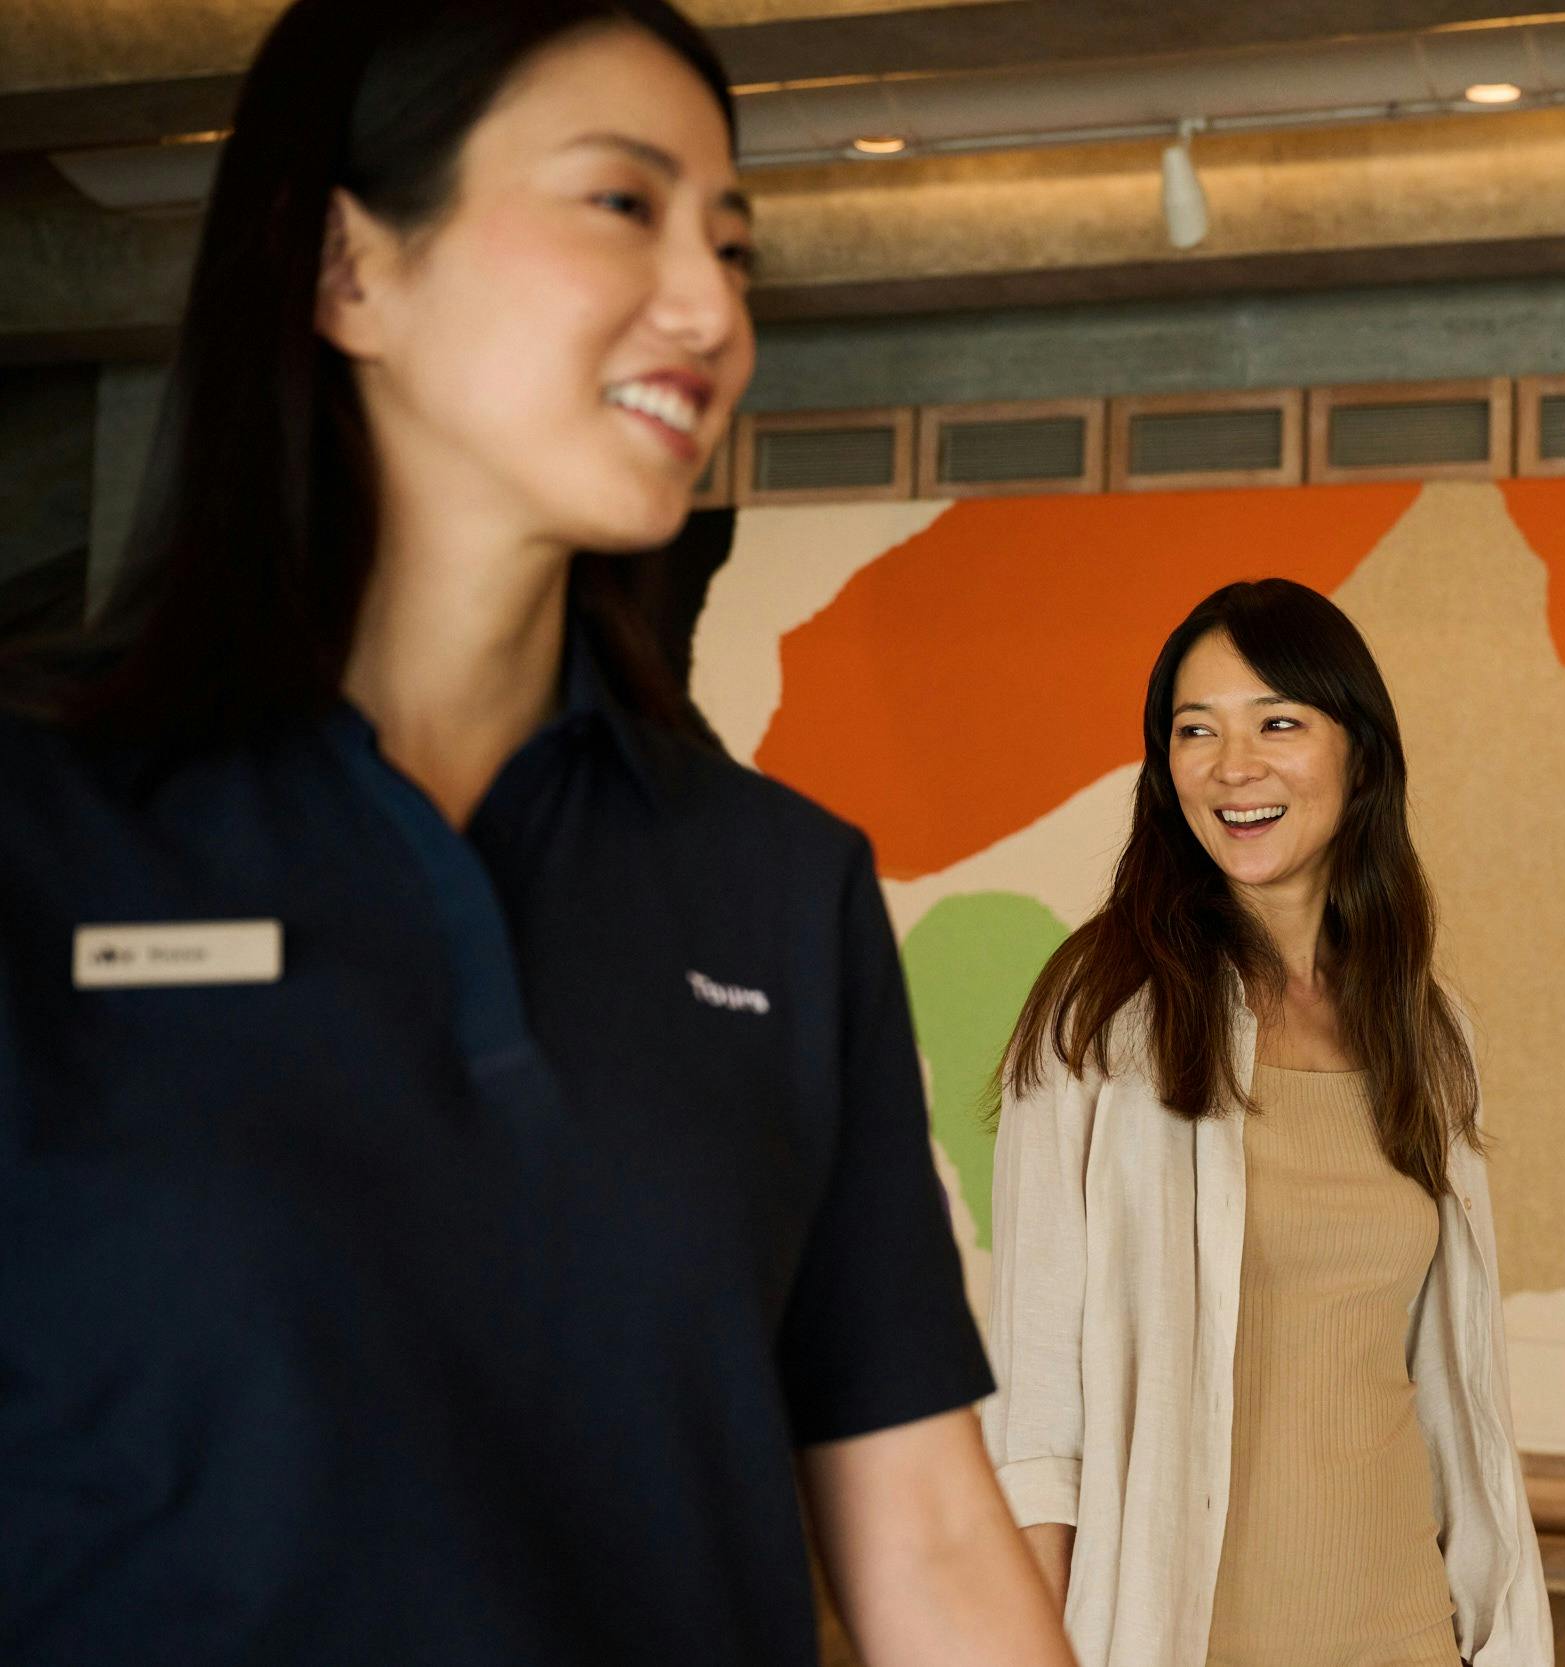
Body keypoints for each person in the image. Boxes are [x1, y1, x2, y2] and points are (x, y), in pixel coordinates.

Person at [0, 4, 1074, 1664]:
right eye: (621, 204)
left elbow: (923, 1528)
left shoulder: (781, 887)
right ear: (349, 271)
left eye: (733, 244)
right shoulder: (43, 827)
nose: (713, 306)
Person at [983, 579, 1554, 1667]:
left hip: (1404, 1627)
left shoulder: (1429, 1033)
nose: (1232, 765)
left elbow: (1452, 1384)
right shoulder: (1098, 1013)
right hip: (1179, 1636)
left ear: (1360, 754)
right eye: (1195, 730)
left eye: (1276, 723)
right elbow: (1035, 1401)